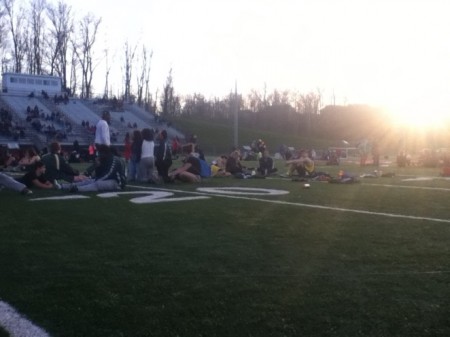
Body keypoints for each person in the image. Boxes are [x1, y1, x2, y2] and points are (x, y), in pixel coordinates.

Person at [60, 144, 126, 193]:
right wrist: (97, 166)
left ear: (105, 153)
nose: (99, 155)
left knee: (97, 183)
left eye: (100, 153)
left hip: (117, 183)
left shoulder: (114, 160)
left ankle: (77, 189)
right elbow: (99, 174)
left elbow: (109, 174)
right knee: (89, 180)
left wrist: (96, 180)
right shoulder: (106, 159)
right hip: (109, 179)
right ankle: (63, 186)